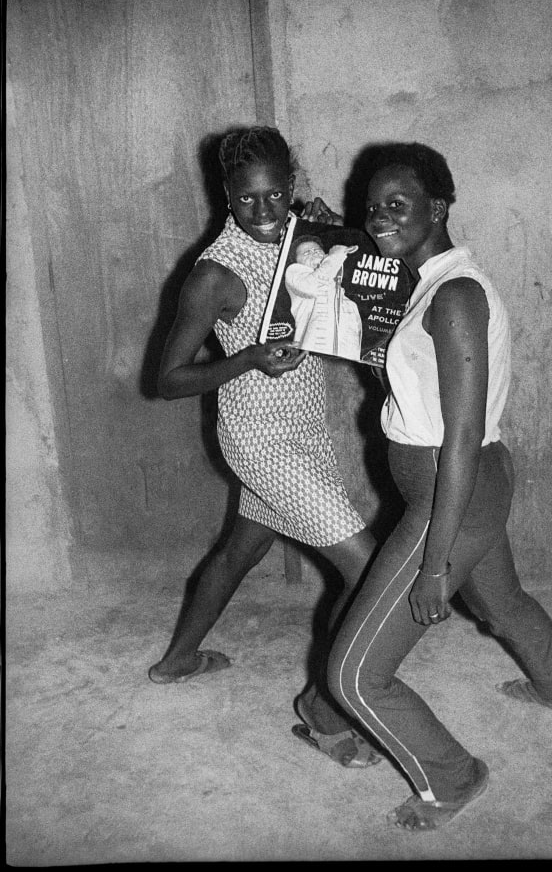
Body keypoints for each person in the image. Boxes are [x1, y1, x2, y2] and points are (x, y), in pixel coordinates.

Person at [319, 142, 552, 831]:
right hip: (470, 488)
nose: (380, 218)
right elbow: (427, 395)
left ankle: (455, 776)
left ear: (438, 208)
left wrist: (435, 565)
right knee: (502, 599)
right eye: (373, 207)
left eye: (398, 204)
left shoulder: (456, 295)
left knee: (354, 675)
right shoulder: (430, 285)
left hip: (454, 493)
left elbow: (460, 437)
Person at [148, 125, 381, 768]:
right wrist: (248, 357)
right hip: (259, 440)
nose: (263, 211)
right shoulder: (215, 274)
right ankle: (323, 710)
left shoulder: (298, 232)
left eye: (275, 194)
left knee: (238, 552)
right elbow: (167, 380)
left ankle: (177, 661)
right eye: (247, 198)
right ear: (225, 194)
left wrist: (333, 238)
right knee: (367, 571)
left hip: (306, 426)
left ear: (291, 186)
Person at [284, 236, 363, 360]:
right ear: (297, 261)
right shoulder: (294, 272)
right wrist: (336, 256)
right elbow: (314, 286)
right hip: (314, 353)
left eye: (317, 251)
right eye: (306, 253)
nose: (313, 254)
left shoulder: (340, 294)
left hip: (343, 356)